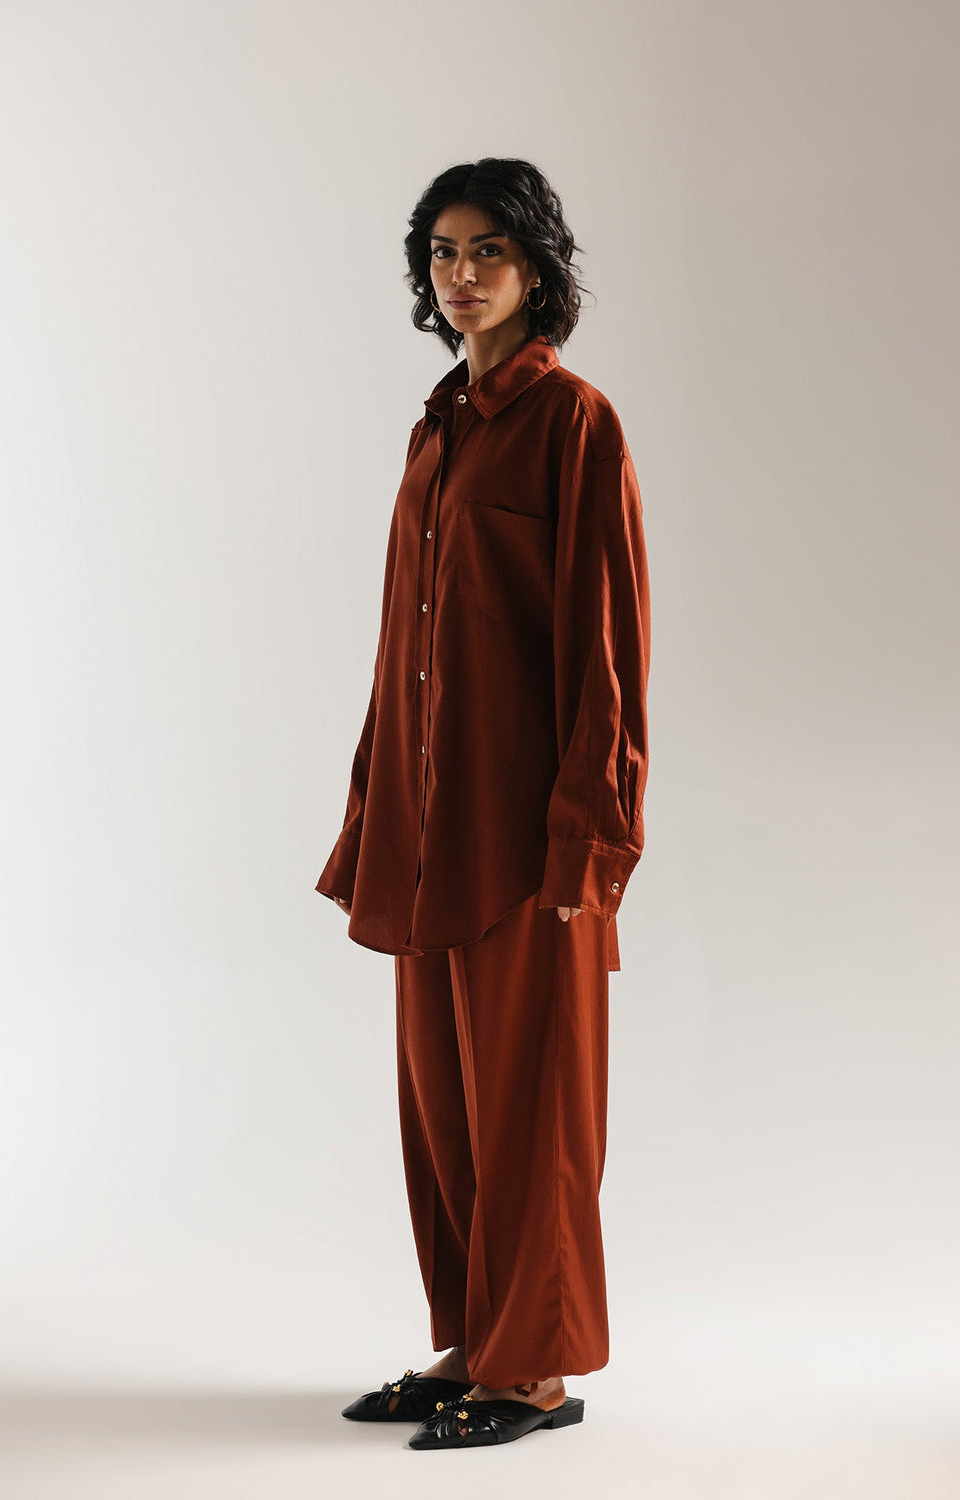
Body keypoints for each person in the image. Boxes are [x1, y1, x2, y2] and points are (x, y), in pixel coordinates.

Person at [315, 157, 651, 1451]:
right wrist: (373, 816)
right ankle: (471, 1345)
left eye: (489, 250)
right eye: (444, 252)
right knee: (445, 1110)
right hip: (427, 835)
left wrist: (591, 841)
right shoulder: (438, 427)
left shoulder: (574, 423)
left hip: (529, 841)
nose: (463, 274)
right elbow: (404, 647)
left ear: (537, 266)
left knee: (533, 1115)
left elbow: (605, 650)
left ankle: (535, 1375)